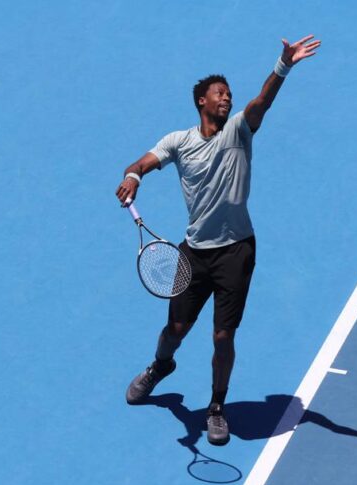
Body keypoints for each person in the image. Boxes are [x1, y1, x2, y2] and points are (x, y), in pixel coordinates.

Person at [115, 35, 321, 446]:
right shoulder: (178, 141)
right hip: (195, 253)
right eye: (220, 94)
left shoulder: (241, 130)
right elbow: (140, 163)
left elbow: (262, 101)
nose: (227, 99)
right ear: (201, 103)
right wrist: (132, 177)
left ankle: (216, 407)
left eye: (229, 94)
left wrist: (284, 65)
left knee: (223, 336)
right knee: (175, 328)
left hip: (236, 250)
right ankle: (160, 367)